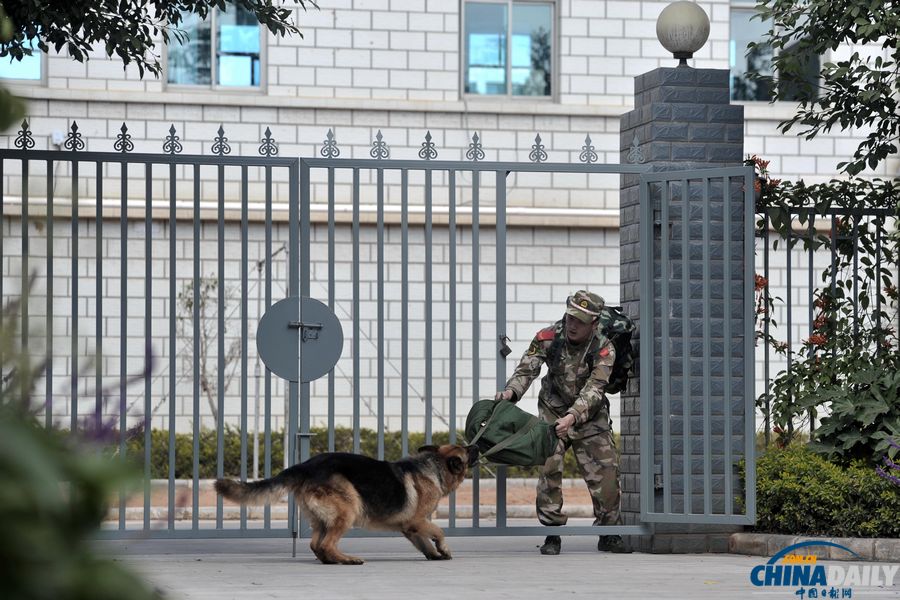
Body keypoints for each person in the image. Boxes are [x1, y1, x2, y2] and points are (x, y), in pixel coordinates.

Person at [494, 290, 627, 555]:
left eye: (580, 320)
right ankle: (552, 533)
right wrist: (510, 392)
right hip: (553, 410)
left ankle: (608, 532)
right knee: (549, 468)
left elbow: (595, 389)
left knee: (606, 473)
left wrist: (574, 416)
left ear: (593, 323)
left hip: (589, 415)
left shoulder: (604, 347)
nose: (572, 325)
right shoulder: (548, 337)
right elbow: (526, 370)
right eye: (570, 317)